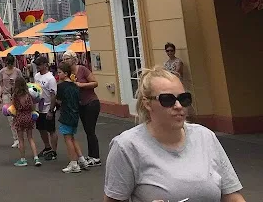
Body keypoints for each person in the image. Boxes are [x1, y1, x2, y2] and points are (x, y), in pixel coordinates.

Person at [104, 66, 245, 202]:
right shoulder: (127, 147)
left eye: (184, 99)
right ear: (147, 104)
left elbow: (231, 195)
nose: (178, 106)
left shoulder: (205, 136)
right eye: (167, 100)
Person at [62, 50, 101, 166]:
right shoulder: (68, 74)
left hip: (91, 102)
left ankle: (95, 157)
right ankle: (91, 155)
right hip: (80, 104)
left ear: (73, 59)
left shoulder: (82, 69)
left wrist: (81, 85)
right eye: (63, 59)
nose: (65, 61)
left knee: (90, 130)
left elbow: (95, 83)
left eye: (67, 58)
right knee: (87, 130)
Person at [55, 62, 88, 174]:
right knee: (72, 137)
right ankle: (81, 159)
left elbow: (58, 101)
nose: (58, 74)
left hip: (66, 113)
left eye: (59, 72)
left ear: (65, 73)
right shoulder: (75, 86)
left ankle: (73, 163)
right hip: (75, 113)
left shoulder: (60, 86)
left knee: (67, 138)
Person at [10, 76, 41, 167]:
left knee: (21, 139)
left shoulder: (15, 96)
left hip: (19, 117)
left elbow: (13, 108)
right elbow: (32, 106)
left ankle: (23, 159)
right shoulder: (29, 94)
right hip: (28, 116)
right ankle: (36, 158)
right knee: (30, 138)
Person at [33, 55, 58, 160]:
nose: (37, 66)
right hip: (39, 107)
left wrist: (51, 110)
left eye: (39, 64)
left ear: (45, 65)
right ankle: (47, 147)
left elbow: (53, 95)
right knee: (41, 129)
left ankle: (54, 151)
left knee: (51, 130)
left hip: (48, 107)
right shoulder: (36, 76)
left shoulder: (50, 78)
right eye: (36, 64)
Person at [0, 55, 23, 148]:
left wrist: (15, 84)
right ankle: (16, 139)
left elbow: (22, 84)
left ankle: (20, 139)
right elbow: (1, 85)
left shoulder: (17, 71)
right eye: (9, 64)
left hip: (16, 95)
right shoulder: (2, 72)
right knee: (10, 119)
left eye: (11, 64)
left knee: (18, 117)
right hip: (6, 95)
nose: (10, 66)